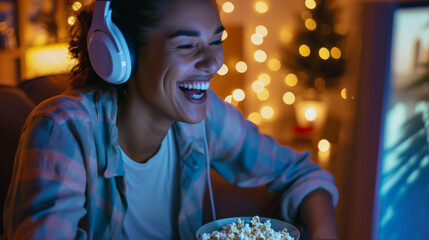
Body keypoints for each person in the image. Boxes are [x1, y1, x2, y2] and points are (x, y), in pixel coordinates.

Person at [3, 0, 339, 239]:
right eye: (187, 45)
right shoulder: (63, 130)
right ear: (122, 55)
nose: (213, 63)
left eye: (215, 41)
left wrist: (323, 233)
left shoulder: (204, 117)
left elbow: (300, 171)